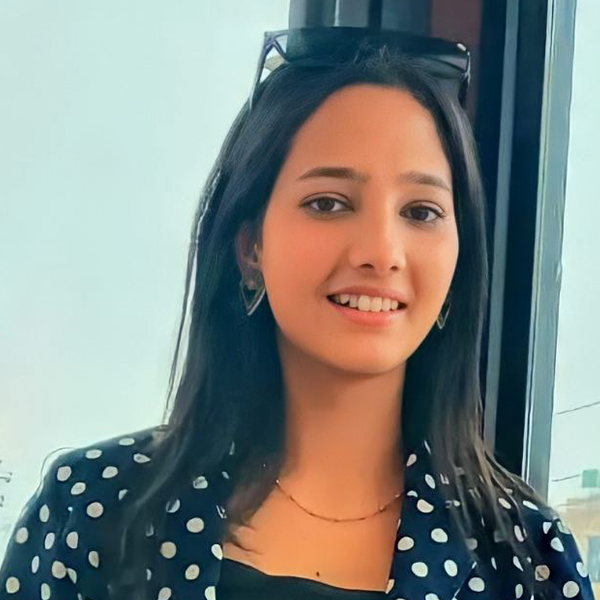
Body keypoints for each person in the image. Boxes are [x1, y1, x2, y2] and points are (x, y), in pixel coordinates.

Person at [0, 40, 594, 600]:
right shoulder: (92, 511)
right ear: (250, 248)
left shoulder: (528, 562)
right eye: (328, 203)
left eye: (421, 212)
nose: (381, 251)